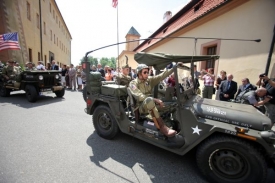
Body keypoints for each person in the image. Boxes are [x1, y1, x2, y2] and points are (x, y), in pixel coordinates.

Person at [128, 64, 177, 137]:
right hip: (141, 108)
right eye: (145, 72)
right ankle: (162, 127)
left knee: (173, 102)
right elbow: (139, 96)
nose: (147, 74)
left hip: (151, 104)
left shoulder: (149, 80)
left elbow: (161, 76)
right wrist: (154, 99)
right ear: (139, 73)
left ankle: (174, 123)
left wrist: (174, 68)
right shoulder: (133, 83)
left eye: (147, 72)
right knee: (149, 100)